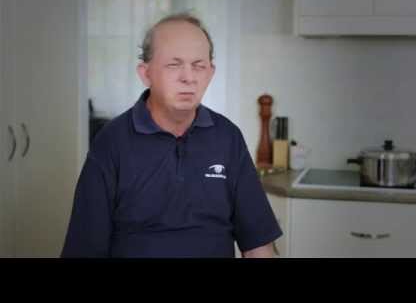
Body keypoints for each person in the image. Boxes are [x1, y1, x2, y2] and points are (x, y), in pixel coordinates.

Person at [61, 13, 282, 258]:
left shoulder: (228, 138)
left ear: (210, 73)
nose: (188, 77)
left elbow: (258, 245)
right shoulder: (111, 142)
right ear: (146, 74)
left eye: (199, 65)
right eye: (174, 64)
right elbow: (84, 250)